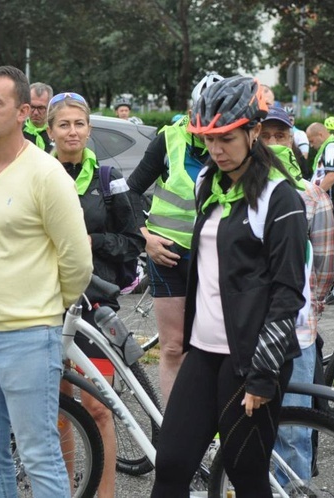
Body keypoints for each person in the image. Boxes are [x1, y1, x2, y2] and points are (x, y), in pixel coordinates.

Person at [151, 75, 307, 497]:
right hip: (203, 351)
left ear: (253, 132)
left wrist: (262, 375)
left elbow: (288, 292)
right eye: (208, 140)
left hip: (251, 359)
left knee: (246, 474)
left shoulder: (279, 198)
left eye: (226, 139)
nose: (216, 150)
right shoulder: (208, 183)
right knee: (170, 465)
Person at [0, 66, 93, 497]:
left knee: (39, 455)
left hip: (28, 336)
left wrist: (44, 307)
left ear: (23, 112)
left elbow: (77, 262)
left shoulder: (46, 175)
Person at [48, 91, 143, 498]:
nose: (72, 132)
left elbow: (132, 241)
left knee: (101, 407)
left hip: (94, 304)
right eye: (64, 124)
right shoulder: (38, 174)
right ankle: (68, 489)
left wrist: (93, 240)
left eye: (79, 124)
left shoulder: (108, 178)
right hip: (46, 305)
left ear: (89, 128)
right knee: (58, 411)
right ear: (49, 130)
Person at [126, 71, 223, 405]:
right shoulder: (169, 138)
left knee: (212, 346)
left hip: (214, 259)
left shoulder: (233, 145)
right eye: (202, 115)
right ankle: (173, 426)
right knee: (172, 346)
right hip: (167, 256)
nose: (207, 127)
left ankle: (211, 428)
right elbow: (131, 192)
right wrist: (146, 239)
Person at [260, 106, 334, 488]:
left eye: (282, 136)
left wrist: (313, 309)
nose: (274, 143)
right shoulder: (233, 193)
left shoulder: (311, 196)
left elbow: (324, 265)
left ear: (293, 140)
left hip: (297, 332)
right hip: (246, 330)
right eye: (266, 135)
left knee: (293, 428)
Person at [306, 122, 334, 286]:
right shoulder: (332, 147)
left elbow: (332, 176)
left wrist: (314, 196)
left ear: (320, 135)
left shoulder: (331, 147)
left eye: (312, 141)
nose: (312, 146)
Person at [22, 82, 53, 152]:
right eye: (32, 107)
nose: (36, 112)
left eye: (41, 108)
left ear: (49, 107)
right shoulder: (17, 133)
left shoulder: (55, 133)